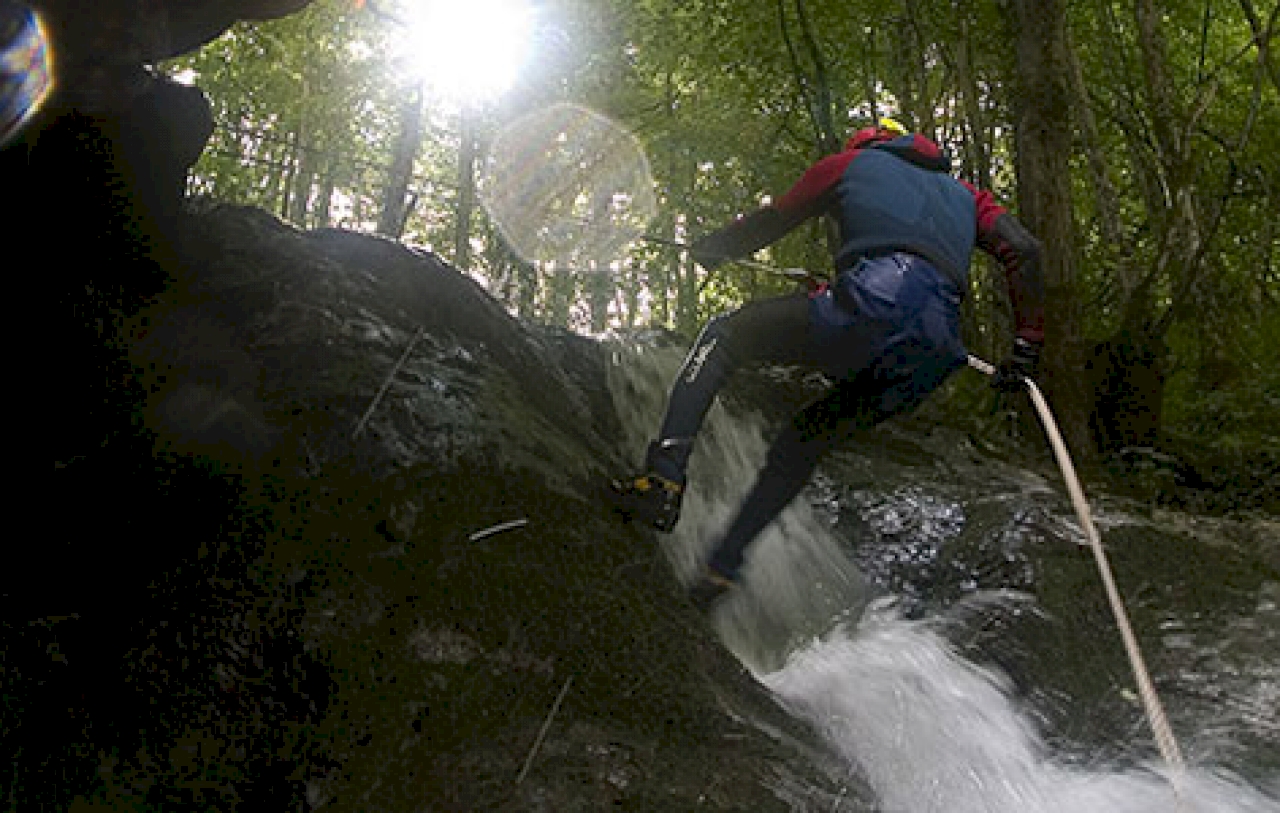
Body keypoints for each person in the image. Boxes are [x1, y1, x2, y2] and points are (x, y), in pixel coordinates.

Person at [610, 118, 1046, 612]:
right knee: (803, 442)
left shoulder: (852, 164)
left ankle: (663, 481)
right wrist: (1027, 343)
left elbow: (774, 217)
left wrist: (716, 248)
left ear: (865, 144)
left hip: (868, 308)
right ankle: (721, 570)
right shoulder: (968, 195)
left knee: (724, 337)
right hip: (934, 354)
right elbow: (1026, 251)